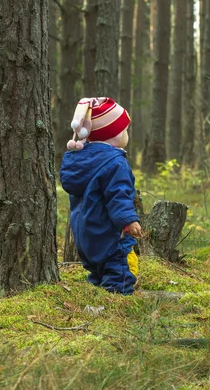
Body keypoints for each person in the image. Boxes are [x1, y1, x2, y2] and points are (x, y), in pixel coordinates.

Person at [59, 97, 142, 295]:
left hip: (86, 237)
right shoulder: (115, 163)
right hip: (110, 236)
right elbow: (119, 195)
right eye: (124, 130)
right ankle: (115, 305)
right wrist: (128, 220)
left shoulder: (81, 160)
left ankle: (97, 299)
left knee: (98, 273)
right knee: (122, 271)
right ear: (113, 134)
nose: (126, 134)